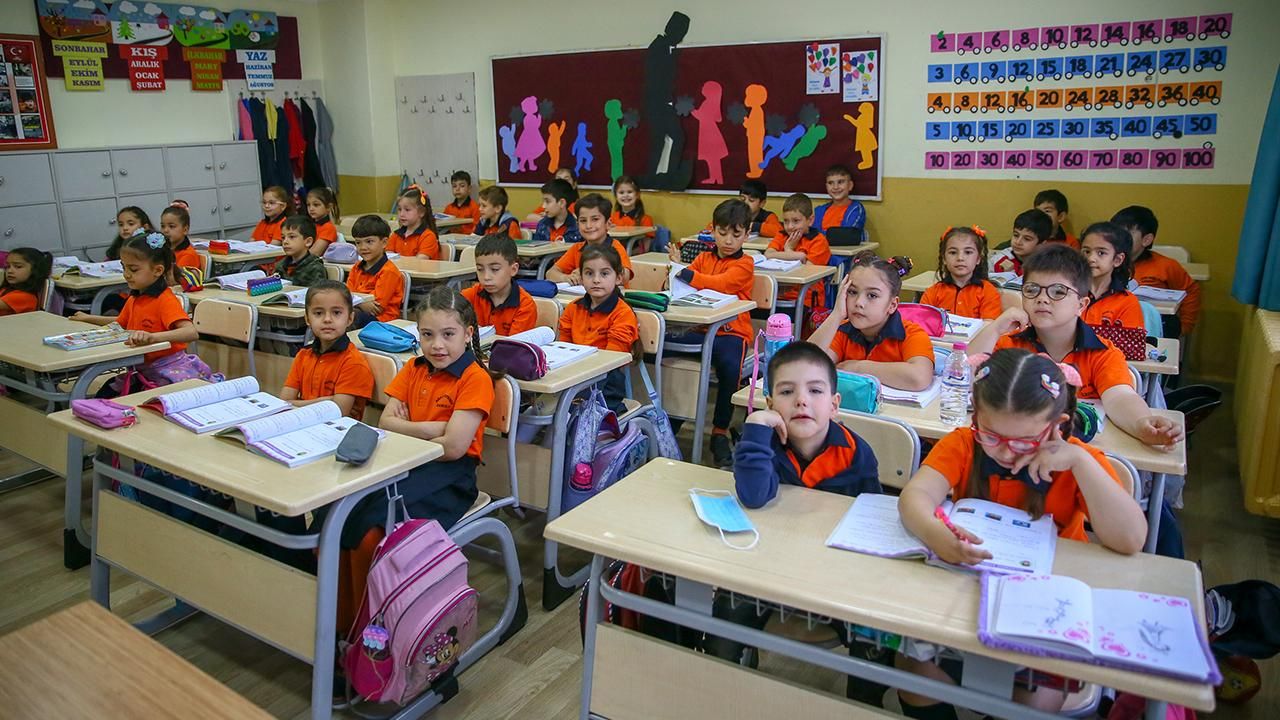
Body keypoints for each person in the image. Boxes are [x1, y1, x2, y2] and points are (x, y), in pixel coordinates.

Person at [895, 348, 1146, 718]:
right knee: (913, 672)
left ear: (1057, 425)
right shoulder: (964, 444)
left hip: (1047, 613)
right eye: (991, 435)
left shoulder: (1078, 461)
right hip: (965, 599)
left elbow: (1131, 539)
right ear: (976, 417)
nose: (1006, 453)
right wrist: (936, 535)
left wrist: (1080, 462)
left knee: (1034, 705)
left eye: (1024, 441)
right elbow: (914, 498)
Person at [704, 341, 880, 663]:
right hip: (764, 568)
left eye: (815, 391)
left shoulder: (856, 452)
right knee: (725, 621)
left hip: (836, 577)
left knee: (874, 642)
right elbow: (754, 496)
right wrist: (756, 426)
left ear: (834, 404)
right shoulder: (763, 443)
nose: (801, 400)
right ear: (771, 404)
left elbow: (873, 519)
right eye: (787, 392)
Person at [968, 244, 1182, 448]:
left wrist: (1141, 423)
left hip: (1077, 452)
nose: (1042, 299)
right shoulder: (1011, 343)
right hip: (1016, 448)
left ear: (1081, 305)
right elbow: (965, 375)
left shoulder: (1102, 352)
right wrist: (995, 328)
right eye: (1032, 290)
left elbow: (1120, 396)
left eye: (1058, 292)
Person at [666, 199, 756, 468]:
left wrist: (685, 273)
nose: (728, 240)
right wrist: (675, 270)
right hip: (699, 329)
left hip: (731, 332)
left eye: (736, 234)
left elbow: (721, 284)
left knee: (729, 365)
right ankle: (671, 417)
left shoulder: (746, 263)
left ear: (747, 234)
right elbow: (679, 286)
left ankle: (719, 431)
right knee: (662, 346)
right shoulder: (703, 258)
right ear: (712, 230)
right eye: (722, 232)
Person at [71, 232, 205, 397]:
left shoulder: (165, 300)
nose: (126, 274)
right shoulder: (135, 298)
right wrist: (88, 318)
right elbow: (121, 323)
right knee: (106, 393)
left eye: (133, 269)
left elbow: (190, 332)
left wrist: (153, 337)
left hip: (168, 371)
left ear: (158, 270)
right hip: (140, 369)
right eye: (124, 267)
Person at [809, 252, 935, 391]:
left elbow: (919, 377)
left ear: (892, 305)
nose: (859, 302)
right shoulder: (841, 330)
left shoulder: (912, 334)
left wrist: (858, 367)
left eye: (872, 295)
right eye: (852, 292)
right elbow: (804, 366)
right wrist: (836, 314)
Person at [558, 244, 639, 413]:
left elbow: (611, 361)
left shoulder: (623, 313)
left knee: (566, 414)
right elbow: (563, 349)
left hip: (605, 385)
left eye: (604, 274)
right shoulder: (573, 308)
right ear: (581, 277)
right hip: (573, 378)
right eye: (589, 273)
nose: (596, 280)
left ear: (618, 278)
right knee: (539, 410)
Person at [281, 280, 374, 420]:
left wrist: (295, 404)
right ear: (307, 319)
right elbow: (283, 403)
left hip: (336, 429)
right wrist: (328, 401)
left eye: (336, 312)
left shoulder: (353, 362)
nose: (327, 319)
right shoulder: (303, 356)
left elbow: (339, 411)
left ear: (350, 318)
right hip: (303, 424)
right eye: (318, 313)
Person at [1111, 205, 1201, 337]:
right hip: (1113, 326)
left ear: (1146, 240)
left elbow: (1191, 291)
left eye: (1126, 235)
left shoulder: (1166, 266)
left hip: (1154, 329)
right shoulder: (1105, 263)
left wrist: (1185, 325)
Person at [547, 194, 634, 286]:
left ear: (608, 224)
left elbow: (625, 276)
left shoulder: (615, 247)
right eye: (583, 221)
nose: (588, 226)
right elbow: (550, 273)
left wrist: (590, 272)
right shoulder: (576, 249)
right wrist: (566, 277)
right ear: (577, 224)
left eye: (595, 219)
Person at [765, 192, 831, 312]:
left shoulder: (818, 241)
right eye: (786, 221)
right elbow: (768, 255)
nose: (790, 226)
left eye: (796, 221)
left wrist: (788, 250)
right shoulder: (782, 236)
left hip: (806, 299)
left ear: (810, 220)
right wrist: (798, 256)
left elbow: (807, 272)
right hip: (778, 296)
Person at [461, 234, 538, 336]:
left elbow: (513, 345)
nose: (486, 277)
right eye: (480, 269)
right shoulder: (469, 296)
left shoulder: (525, 306)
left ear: (513, 269)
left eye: (495, 269)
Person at [921, 225, 1002, 319]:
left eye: (968, 252)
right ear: (944, 259)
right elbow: (922, 322)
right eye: (953, 252)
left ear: (978, 259)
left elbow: (990, 325)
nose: (960, 258)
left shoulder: (988, 292)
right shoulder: (932, 293)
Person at [1080, 221, 1143, 328]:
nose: (1091, 259)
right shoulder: (1068, 293)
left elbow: (1129, 338)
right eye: (1086, 252)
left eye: (1101, 253)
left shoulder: (1127, 303)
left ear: (1118, 260)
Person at [345, 215, 404, 327]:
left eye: (369, 241)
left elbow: (376, 308)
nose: (363, 247)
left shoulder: (389, 271)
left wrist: (355, 301)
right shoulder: (356, 267)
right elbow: (346, 296)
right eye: (358, 242)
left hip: (383, 320)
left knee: (348, 316)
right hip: (360, 312)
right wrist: (361, 303)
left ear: (384, 243)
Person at [990, 209, 1052, 276]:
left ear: (1042, 244)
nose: (1018, 242)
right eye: (1016, 235)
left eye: (1027, 239)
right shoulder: (999, 260)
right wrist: (1007, 274)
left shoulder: (1048, 265)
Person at [388, 184, 441, 260]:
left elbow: (419, 261)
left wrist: (397, 259)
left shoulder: (428, 236)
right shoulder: (395, 235)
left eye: (407, 210)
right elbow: (387, 257)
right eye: (399, 209)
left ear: (421, 212)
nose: (402, 214)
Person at [813, 164, 867, 236]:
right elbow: (812, 233)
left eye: (840, 182)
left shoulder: (856, 209)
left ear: (850, 185)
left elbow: (846, 234)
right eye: (830, 183)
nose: (835, 187)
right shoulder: (819, 210)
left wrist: (820, 235)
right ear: (826, 187)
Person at [159, 202, 202, 290]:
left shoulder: (188, 255)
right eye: (163, 226)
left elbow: (175, 283)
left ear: (185, 230)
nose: (165, 230)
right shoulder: (165, 250)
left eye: (171, 226)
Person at [276, 215, 327, 287]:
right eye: (283, 237)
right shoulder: (280, 265)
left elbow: (316, 292)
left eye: (292, 237)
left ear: (308, 242)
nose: (285, 242)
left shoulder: (315, 268)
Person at [0, 247, 51, 316]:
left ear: (35, 270)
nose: (9, 271)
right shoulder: (6, 289)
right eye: (7, 266)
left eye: (18, 266)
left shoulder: (25, 297)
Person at [610, 175, 655, 251]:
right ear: (616, 196)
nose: (625, 195)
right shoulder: (612, 218)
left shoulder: (645, 219)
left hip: (635, 256)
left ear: (637, 195)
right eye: (621, 192)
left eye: (630, 192)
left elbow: (645, 248)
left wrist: (627, 254)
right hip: (614, 255)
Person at [531, 178, 581, 243]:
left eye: (547, 201)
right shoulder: (542, 225)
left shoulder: (577, 228)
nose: (543, 206)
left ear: (562, 203)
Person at [305, 186, 341, 256]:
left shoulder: (328, 228)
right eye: (308, 205)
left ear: (329, 207)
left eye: (316, 205)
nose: (311, 208)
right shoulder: (310, 225)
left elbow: (315, 253)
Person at [443, 170, 480, 235]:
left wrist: (462, 230)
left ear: (469, 188)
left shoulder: (475, 207)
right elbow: (443, 226)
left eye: (462, 186)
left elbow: (478, 228)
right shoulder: (448, 208)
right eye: (454, 186)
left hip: (468, 238)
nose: (457, 189)